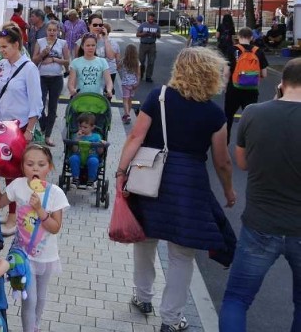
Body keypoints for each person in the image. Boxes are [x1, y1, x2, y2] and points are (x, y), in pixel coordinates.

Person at [115, 47, 236, 332]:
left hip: (149, 177)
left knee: (145, 240)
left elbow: (136, 136)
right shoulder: (214, 114)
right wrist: (229, 191)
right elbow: (223, 162)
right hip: (190, 186)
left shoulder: (158, 98)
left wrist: (121, 172)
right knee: (182, 254)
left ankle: (143, 297)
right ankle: (171, 319)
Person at [219, 58, 301, 331]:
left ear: (282, 83)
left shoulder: (254, 113)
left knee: (236, 300)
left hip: (261, 224)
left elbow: (242, 163)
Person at [0, 144, 69, 332]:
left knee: (41, 297)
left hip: (46, 255)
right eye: (30, 164)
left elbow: (55, 227)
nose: (35, 168)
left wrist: (40, 210)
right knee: (30, 299)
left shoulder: (56, 193)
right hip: (23, 255)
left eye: (41, 164)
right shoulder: (18, 185)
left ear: (49, 167)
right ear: (23, 167)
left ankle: (36, 325)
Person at [0, 26, 43, 236]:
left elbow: (36, 103)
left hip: (18, 127)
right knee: (3, 170)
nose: (1, 51)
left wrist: (29, 129)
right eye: (0, 47)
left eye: (5, 47)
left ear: (16, 45)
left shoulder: (29, 69)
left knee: (14, 173)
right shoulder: (1, 65)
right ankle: (11, 210)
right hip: (0, 126)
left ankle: (14, 217)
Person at [223, 27, 268, 144]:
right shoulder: (258, 51)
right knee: (250, 117)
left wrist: (224, 86)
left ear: (238, 37)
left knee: (228, 116)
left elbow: (226, 72)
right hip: (251, 90)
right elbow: (264, 74)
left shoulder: (232, 50)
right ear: (251, 38)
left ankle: (225, 142)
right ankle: (248, 142)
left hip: (234, 88)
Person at [32, 20, 70, 147]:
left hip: (56, 78)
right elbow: (34, 60)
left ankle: (47, 135)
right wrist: (42, 55)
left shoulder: (62, 43)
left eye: (54, 30)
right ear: (46, 31)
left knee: (53, 107)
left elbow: (67, 61)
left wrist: (54, 59)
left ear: (58, 31)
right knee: (40, 105)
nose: (52, 32)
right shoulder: (40, 42)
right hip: (42, 77)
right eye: (50, 30)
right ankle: (44, 125)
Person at [67, 33, 113, 98]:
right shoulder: (75, 62)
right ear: (82, 46)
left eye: (93, 45)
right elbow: (71, 83)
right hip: (80, 98)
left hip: (98, 97)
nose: (90, 48)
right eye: (88, 45)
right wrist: (72, 90)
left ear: (96, 46)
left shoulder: (102, 61)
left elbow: (109, 81)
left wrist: (109, 90)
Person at [68, 112, 105, 188]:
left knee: (94, 161)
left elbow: (100, 152)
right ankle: (75, 179)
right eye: (80, 127)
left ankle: (91, 181)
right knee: (73, 158)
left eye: (85, 127)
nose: (82, 129)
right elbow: (74, 150)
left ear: (92, 127)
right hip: (78, 155)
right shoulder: (76, 136)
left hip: (92, 156)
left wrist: (101, 145)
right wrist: (77, 139)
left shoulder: (96, 137)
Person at [118, 44, 141, 124]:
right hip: (133, 84)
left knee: (125, 99)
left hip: (125, 83)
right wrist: (137, 82)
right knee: (130, 99)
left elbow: (118, 67)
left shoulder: (123, 60)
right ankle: (128, 114)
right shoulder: (137, 62)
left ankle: (127, 114)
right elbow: (138, 73)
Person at [136, 12, 161, 82]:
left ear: (154, 19)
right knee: (141, 61)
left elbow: (159, 36)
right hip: (143, 45)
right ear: (147, 18)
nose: (151, 20)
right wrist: (143, 34)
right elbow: (137, 34)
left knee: (151, 62)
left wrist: (155, 34)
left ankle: (148, 76)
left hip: (152, 45)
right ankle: (140, 74)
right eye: (150, 19)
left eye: (152, 19)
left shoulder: (156, 26)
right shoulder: (143, 25)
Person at [102, 22, 121, 93]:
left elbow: (112, 56)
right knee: (109, 89)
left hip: (104, 69)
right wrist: (116, 68)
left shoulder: (110, 42)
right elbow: (118, 58)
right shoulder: (114, 42)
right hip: (111, 69)